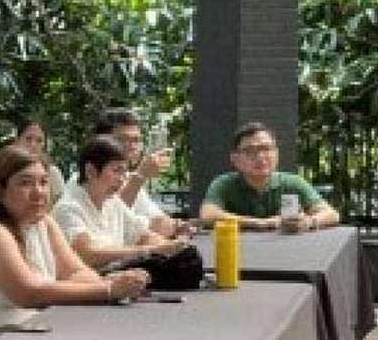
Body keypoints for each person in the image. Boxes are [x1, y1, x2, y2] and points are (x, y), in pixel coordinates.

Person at [0, 144, 148, 329]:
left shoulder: (43, 221)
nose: (39, 192)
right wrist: (108, 290)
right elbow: (29, 293)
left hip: (30, 329)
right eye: (25, 183)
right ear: (0, 191)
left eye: (44, 182)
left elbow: (74, 272)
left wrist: (113, 282)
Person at [54, 136, 183, 269]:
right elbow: (87, 255)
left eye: (124, 172)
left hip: (123, 275)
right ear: (90, 171)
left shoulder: (113, 202)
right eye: (116, 171)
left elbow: (142, 236)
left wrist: (174, 248)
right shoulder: (69, 208)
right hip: (91, 282)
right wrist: (150, 251)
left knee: (186, 258)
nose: (122, 179)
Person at [199, 122, 340, 231]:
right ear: (235, 159)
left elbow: (331, 214)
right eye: (250, 151)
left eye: (266, 149)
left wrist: (308, 222)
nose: (260, 157)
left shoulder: (292, 182)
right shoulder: (224, 183)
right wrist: (260, 223)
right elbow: (208, 215)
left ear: (276, 154)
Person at [93, 108, 186, 238]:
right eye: (123, 139)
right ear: (101, 141)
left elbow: (158, 221)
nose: (131, 146)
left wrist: (177, 226)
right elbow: (110, 219)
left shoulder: (128, 179)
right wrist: (141, 175)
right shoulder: (88, 178)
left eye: (136, 140)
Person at [0, 117, 66, 205]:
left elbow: (61, 206)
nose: (33, 145)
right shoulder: (4, 168)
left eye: (39, 141)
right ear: (17, 141)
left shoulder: (52, 173)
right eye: (28, 139)